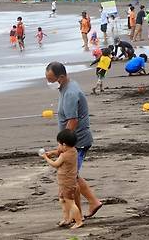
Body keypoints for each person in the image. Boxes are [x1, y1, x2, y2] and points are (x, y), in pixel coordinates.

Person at [45, 62, 103, 219]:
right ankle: (90, 204)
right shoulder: (68, 86)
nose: (49, 83)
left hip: (77, 142)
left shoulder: (70, 93)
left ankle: (84, 208)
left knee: (71, 177)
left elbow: (72, 121)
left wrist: (62, 145)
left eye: (51, 80)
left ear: (61, 77)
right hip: (72, 141)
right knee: (73, 176)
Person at [42, 129, 84, 229]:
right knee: (62, 200)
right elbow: (60, 151)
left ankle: (78, 221)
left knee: (70, 202)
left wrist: (46, 158)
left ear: (64, 145)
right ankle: (67, 219)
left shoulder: (64, 155)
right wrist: (52, 153)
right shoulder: (73, 150)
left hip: (66, 183)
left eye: (59, 144)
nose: (59, 147)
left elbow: (55, 164)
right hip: (68, 181)